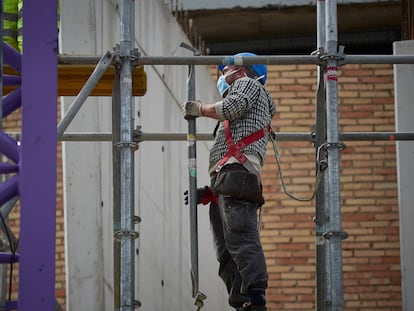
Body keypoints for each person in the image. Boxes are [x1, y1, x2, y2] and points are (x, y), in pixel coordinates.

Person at [183, 52, 276, 311]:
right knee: (226, 252)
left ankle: (256, 300)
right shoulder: (244, 95)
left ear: (241, 71)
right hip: (228, 179)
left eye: (225, 71)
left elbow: (230, 108)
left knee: (242, 239)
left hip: (237, 174)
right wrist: (210, 192)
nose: (222, 77)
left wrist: (199, 109)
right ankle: (243, 303)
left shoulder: (248, 84)